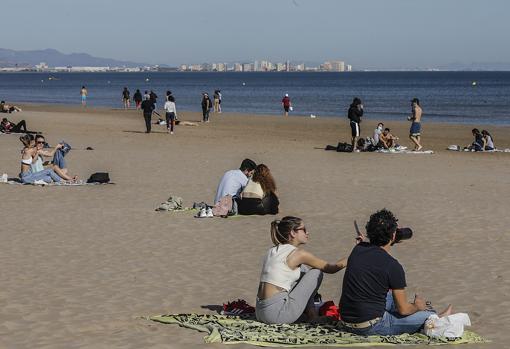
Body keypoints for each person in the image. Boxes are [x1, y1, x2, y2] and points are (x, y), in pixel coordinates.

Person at [339, 209, 452, 336]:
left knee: (389, 296)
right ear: (393, 236)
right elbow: (403, 310)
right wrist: (417, 306)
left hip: (345, 321)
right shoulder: (393, 265)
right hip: (369, 326)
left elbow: (374, 255)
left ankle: (419, 312)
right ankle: (437, 317)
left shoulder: (358, 249)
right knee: (428, 315)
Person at [256, 216, 348, 324]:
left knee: (303, 270)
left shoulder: (272, 251)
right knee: (315, 273)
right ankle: (313, 317)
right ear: (293, 233)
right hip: (277, 315)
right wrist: (354, 255)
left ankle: (310, 314)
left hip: (260, 313)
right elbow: (332, 268)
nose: (307, 232)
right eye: (303, 229)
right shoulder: (299, 254)